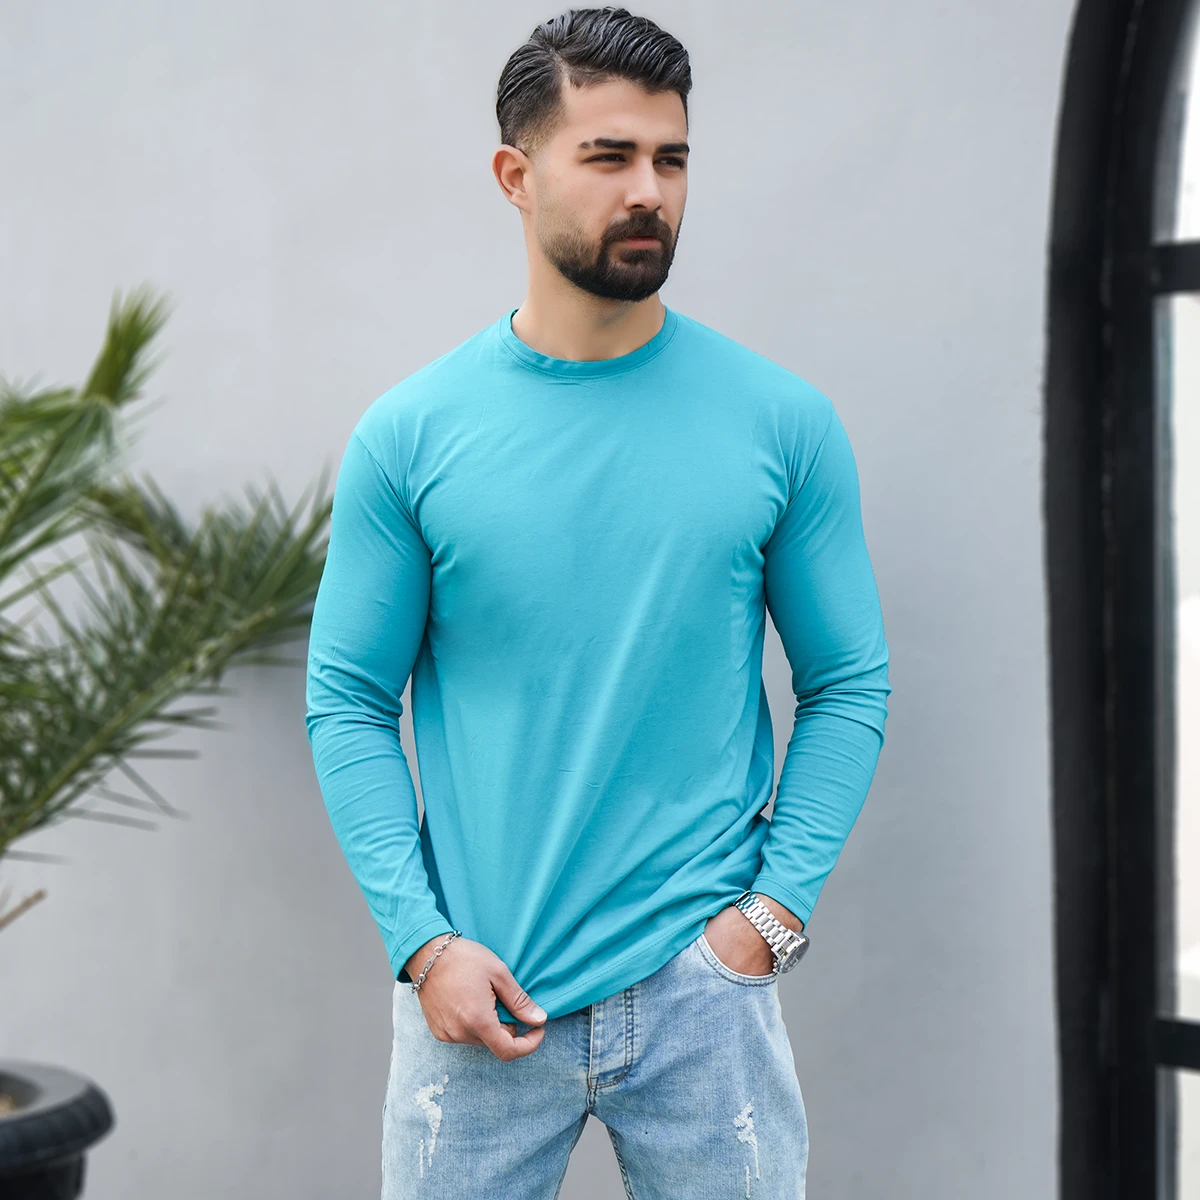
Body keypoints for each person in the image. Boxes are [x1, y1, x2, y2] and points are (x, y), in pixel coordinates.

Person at [305, 6, 890, 1197]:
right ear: (515, 176)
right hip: (480, 996)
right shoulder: (411, 436)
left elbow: (848, 683)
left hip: (704, 1002)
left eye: (671, 160)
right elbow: (348, 701)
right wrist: (423, 945)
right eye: (609, 156)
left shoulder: (782, 423)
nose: (649, 192)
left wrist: (770, 918)